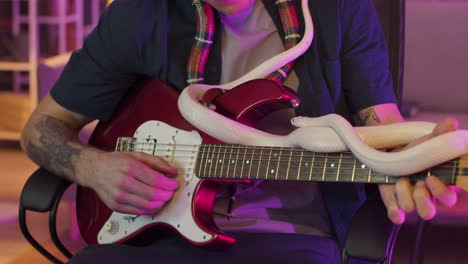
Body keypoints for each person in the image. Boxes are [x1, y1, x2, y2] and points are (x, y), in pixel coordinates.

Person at [20, 0, 459, 263]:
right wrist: (93, 166)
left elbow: (381, 125)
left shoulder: (338, 9)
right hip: (150, 235)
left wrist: (405, 162)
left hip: (295, 238)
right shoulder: (139, 14)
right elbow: (41, 128)